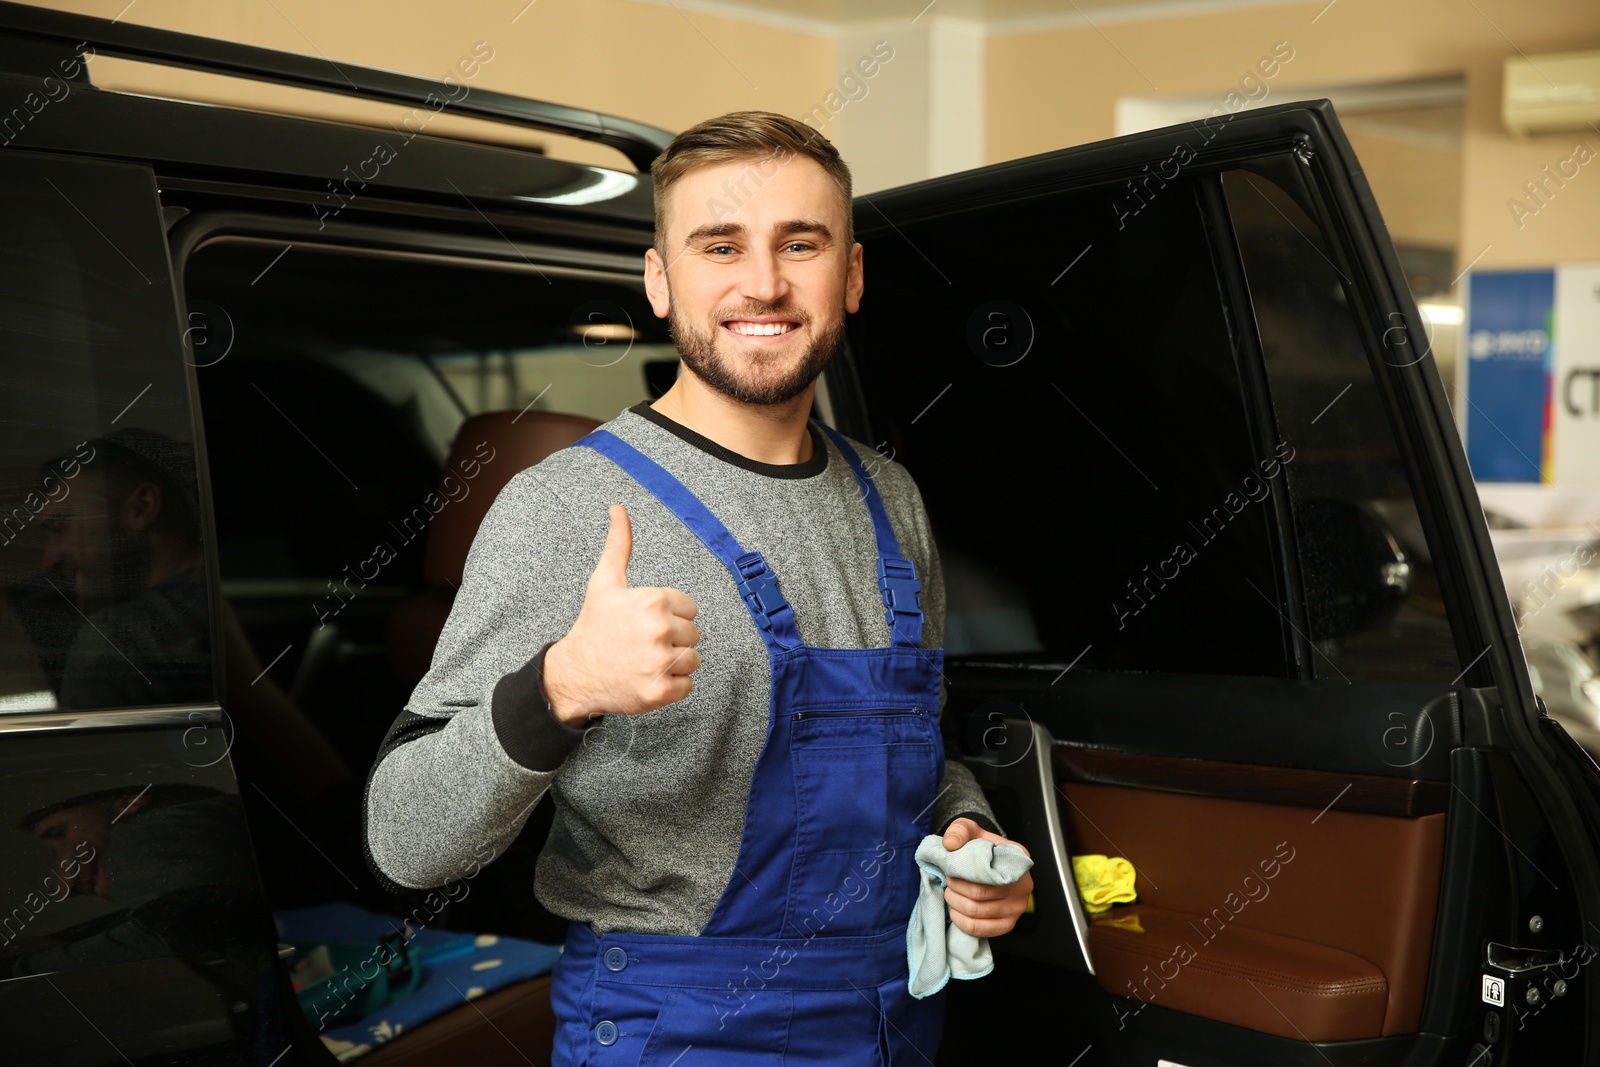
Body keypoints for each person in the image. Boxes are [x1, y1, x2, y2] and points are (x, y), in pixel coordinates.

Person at [363, 110, 1033, 1064]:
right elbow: (402, 840)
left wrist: (970, 832)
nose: (763, 282)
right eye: (720, 245)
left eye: (799, 244)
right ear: (660, 279)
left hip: (893, 1017)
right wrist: (563, 687)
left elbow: (923, 745)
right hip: (679, 1028)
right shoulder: (567, 506)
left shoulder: (891, 498)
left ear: (849, 275)